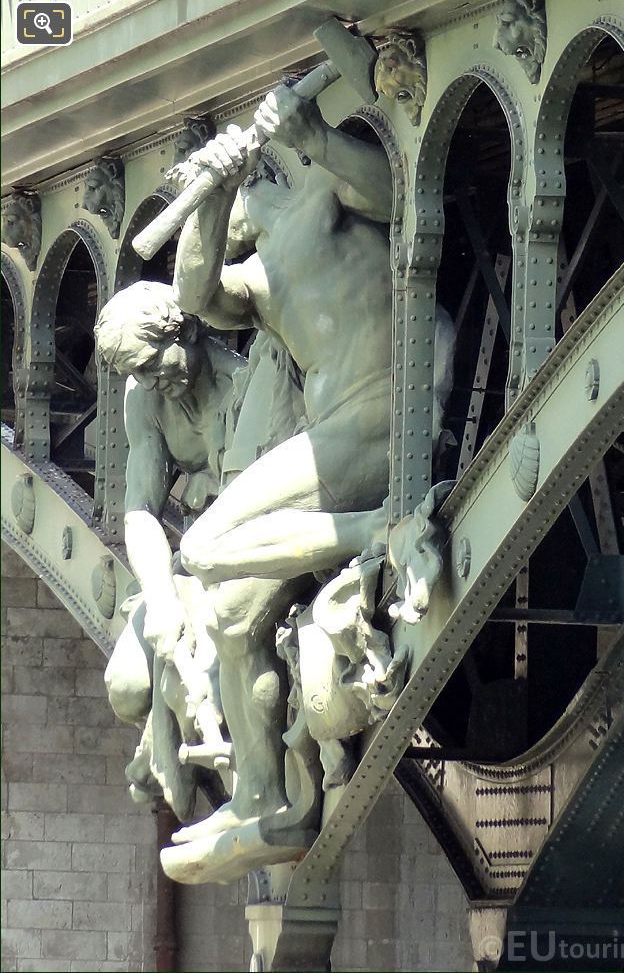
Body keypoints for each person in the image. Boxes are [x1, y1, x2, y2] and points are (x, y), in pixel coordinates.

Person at [154, 85, 398, 872]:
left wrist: (313, 135)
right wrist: (208, 201)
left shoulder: (322, 195)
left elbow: (398, 191)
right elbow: (196, 292)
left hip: (385, 412)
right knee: (228, 611)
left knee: (205, 546)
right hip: (338, 435)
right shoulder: (257, 278)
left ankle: (369, 532)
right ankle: (259, 796)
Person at [94, 280, 307, 819]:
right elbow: (141, 510)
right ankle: (162, 732)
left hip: (244, 567)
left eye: (153, 363)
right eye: (137, 372)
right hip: (189, 573)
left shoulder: (248, 389)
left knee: (204, 692)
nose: (149, 380)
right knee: (124, 689)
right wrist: (161, 600)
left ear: (187, 328)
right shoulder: (145, 400)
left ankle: (240, 786)